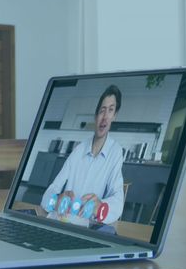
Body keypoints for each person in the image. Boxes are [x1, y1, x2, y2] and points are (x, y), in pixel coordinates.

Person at [39, 85, 125, 227]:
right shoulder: (78, 150)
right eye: (102, 110)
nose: (105, 117)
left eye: (110, 110)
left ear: (115, 115)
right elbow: (50, 193)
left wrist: (101, 206)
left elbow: (118, 201)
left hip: (83, 228)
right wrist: (56, 200)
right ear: (96, 115)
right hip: (59, 222)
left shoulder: (115, 152)